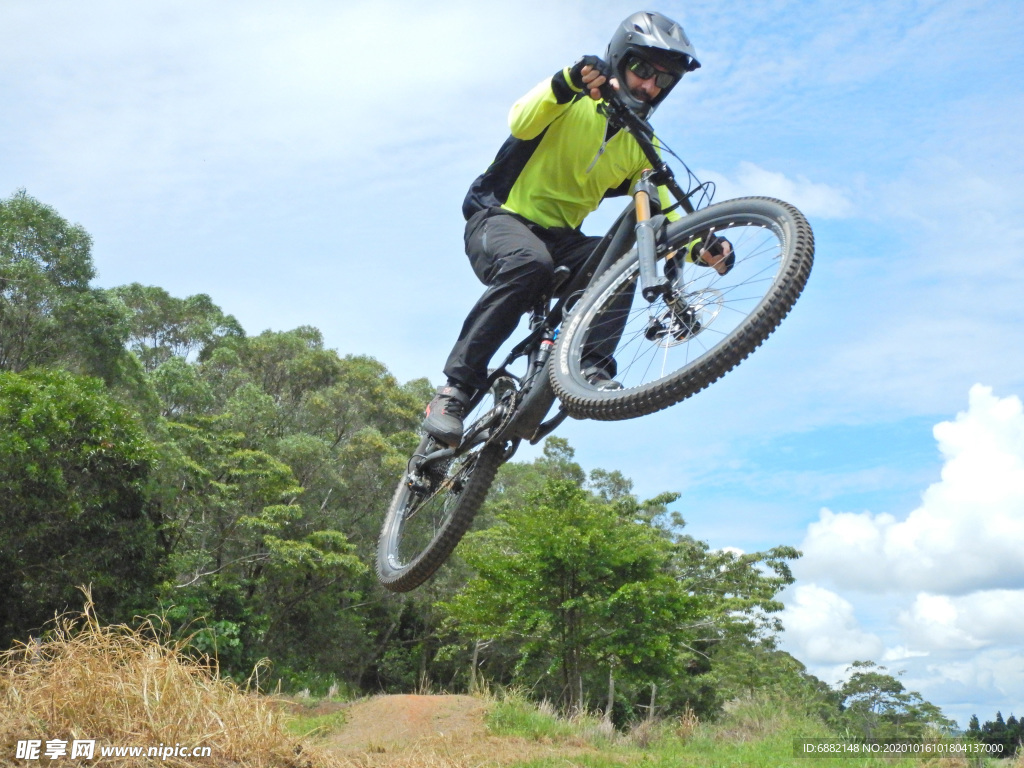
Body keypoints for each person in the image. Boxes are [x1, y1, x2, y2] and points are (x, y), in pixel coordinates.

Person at [423, 10, 731, 447]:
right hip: (499, 219)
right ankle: (454, 392)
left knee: (623, 263)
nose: (650, 85)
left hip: (562, 242)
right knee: (531, 263)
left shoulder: (640, 142)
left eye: (663, 80)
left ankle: (591, 368)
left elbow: (662, 205)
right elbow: (520, 120)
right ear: (619, 59)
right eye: (642, 69)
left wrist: (700, 245)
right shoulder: (570, 98)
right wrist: (568, 80)